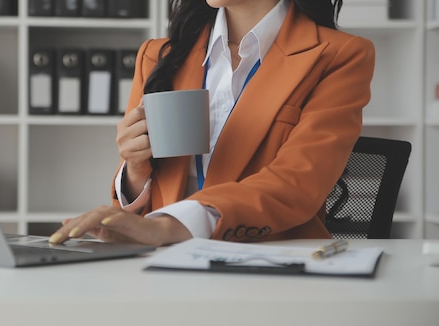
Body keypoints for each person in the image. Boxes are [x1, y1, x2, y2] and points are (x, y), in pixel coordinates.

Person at [49, 0, 375, 246]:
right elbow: (136, 204)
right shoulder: (159, 55)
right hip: (165, 260)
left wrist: (168, 226)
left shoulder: (339, 56)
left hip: (271, 259)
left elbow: (297, 183)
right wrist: (135, 167)